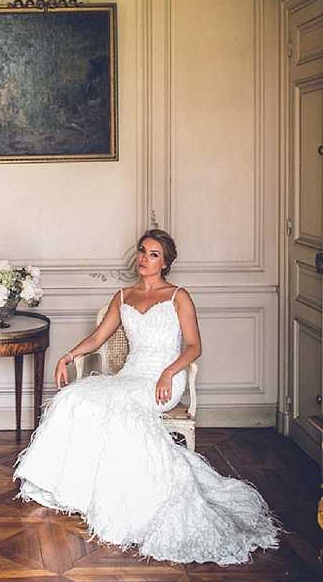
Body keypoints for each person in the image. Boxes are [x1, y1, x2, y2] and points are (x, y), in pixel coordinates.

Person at [14, 229, 280, 565]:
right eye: (142, 251)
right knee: (73, 399)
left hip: (165, 379)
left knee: (122, 412)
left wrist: (169, 371)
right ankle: (77, 488)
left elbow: (194, 346)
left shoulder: (178, 296)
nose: (144, 258)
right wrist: (68, 356)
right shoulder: (123, 296)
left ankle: (134, 498)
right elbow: (98, 337)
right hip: (131, 374)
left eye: (153, 254)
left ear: (165, 262)